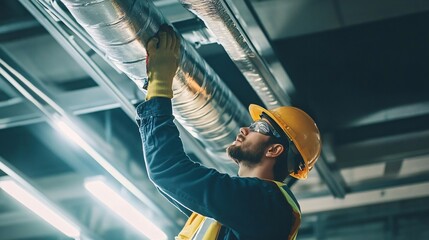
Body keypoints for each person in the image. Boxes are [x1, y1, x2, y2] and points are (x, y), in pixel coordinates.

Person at [136, 25, 321, 240]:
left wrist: (159, 84)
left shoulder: (267, 204)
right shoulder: (235, 210)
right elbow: (170, 180)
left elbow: (167, 170)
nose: (244, 129)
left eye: (259, 128)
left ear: (275, 149)